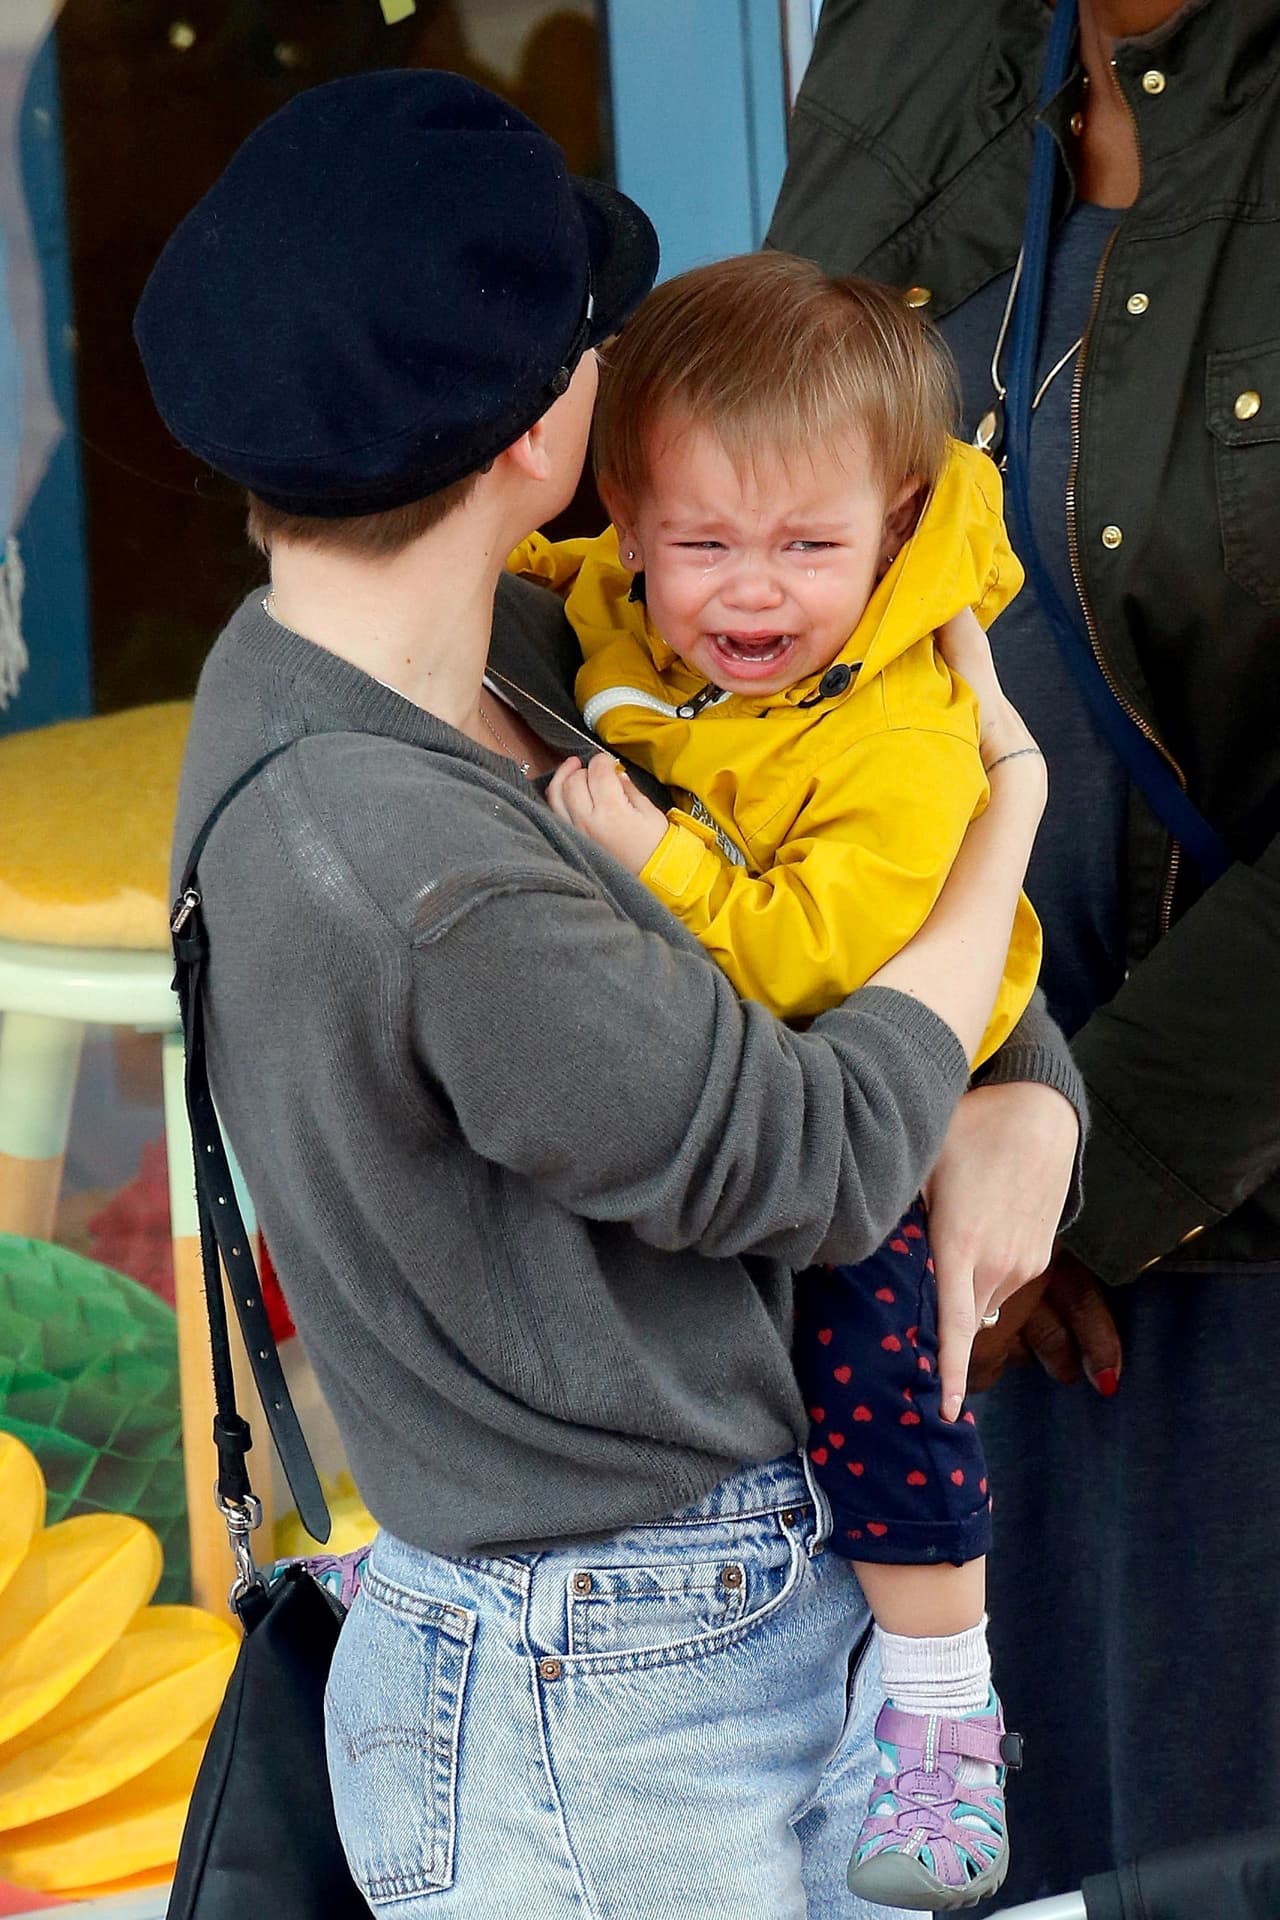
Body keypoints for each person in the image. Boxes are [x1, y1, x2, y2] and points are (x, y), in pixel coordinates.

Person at [134, 68, 1083, 1919]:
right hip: (611, 1699)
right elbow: (807, 1153)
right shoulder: (410, 866)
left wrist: (1021, 1079)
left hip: (701, 1630)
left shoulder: (507, 642)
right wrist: (1012, 828)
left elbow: (819, 894)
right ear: (530, 433)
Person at [769, 0, 1280, 1904]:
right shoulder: (906, 39)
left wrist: (1082, 1159)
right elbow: (774, 541)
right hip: (938, 1261)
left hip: (1213, 1278)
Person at [507, 251, 1045, 1911]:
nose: (753, 595)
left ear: (892, 525)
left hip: (883, 1079)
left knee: (890, 1358)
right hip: (734, 1099)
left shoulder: (902, 722)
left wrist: (656, 862)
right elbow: (539, 562)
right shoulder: (615, 601)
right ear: (628, 515)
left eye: (809, 549)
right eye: (704, 546)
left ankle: (946, 1705)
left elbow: (826, 957)